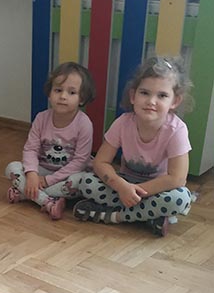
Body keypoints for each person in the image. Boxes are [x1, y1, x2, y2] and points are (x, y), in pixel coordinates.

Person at [72, 55, 193, 236]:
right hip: (124, 182)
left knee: (181, 198)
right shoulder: (123, 123)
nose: (151, 101)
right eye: (144, 93)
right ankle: (149, 216)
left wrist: (135, 193)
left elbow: (177, 179)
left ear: (175, 101)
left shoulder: (177, 130)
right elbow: (100, 162)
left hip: (157, 189)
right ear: (133, 96)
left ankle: (116, 216)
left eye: (162, 95)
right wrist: (122, 187)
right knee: (85, 182)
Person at [5, 62, 96, 220]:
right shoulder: (41, 118)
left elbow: (80, 162)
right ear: (50, 93)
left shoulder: (84, 124)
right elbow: (30, 149)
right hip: (43, 169)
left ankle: (27, 194)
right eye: (58, 90)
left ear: (81, 99)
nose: (63, 96)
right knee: (12, 168)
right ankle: (47, 201)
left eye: (71, 92)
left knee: (81, 182)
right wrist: (32, 175)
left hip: (68, 174)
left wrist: (48, 181)